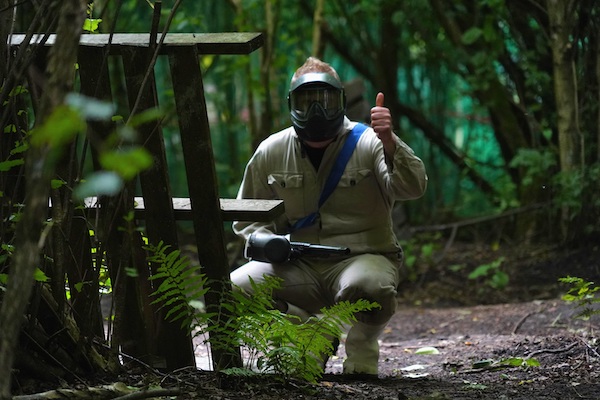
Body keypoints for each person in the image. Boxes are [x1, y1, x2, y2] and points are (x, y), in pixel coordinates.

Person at [231, 57, 427, 376]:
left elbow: (412, 187)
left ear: (341, 101)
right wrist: (266, 242)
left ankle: (362, 349)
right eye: (306, 102)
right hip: (297, 264)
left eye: (324, 101)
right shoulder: (271, 151)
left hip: (361, 258)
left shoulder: (370, 142)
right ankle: (306, 332)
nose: (316, 112)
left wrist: (390, 141)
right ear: (291, 104)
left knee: (371, 286)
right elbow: (247, 218)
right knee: (236, 290)